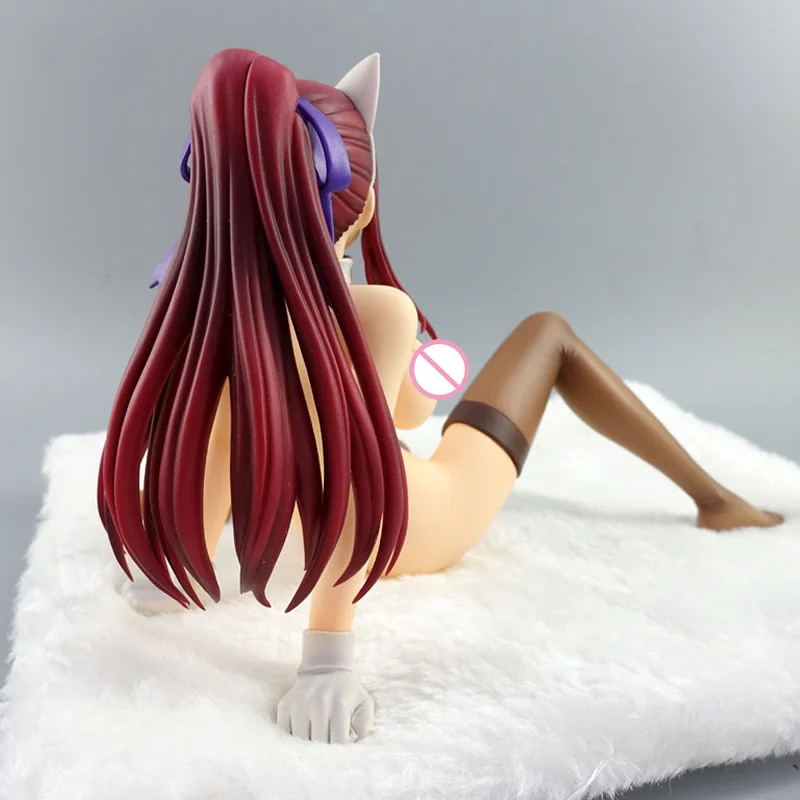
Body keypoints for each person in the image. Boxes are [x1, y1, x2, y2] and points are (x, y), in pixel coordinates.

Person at [98, 48, 783, 745]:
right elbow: (370, 458)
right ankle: (717, 501)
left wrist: (169, 567)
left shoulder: (209, 312)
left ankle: (176, 575)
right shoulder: (378, 312)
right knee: (548, 335)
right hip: (424, 518)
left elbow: (217, 431)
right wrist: (326, 661)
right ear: (360, 202)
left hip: (337, 513)